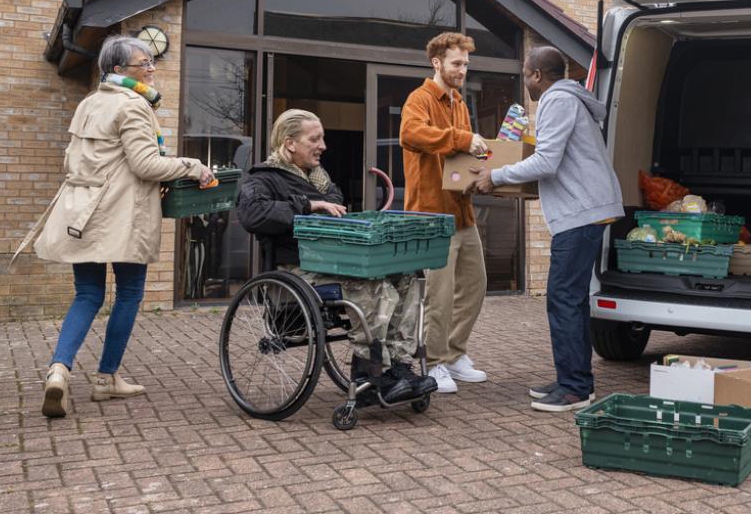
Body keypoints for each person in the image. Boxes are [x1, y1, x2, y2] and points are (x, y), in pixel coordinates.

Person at [21, 35, 215, 418]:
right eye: (144, 64)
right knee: (128, 293)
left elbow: (70, 162)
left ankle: (58, 369)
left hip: (82, 214)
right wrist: (193, 166)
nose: (152, 69)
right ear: (118, 70)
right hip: (122, 216)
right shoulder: (134, 106)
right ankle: (107, 378)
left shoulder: (89, 104)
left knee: (87, 295)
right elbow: (146, 166)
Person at [235, 109, 436, 402]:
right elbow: (252, 214)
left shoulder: (320, 179)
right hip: (295, 270)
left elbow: (334, 200)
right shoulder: (263, 178)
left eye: (323, 138)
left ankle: (400, 366)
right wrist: (308, 205)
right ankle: (370, 375)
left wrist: (320, 201)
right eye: (314, 139)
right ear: (290, 143)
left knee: (404, 276)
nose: (323, 146)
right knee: (370, 286)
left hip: (333, 263)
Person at [470, 46, 623, 412]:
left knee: (562, 298)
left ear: (538, 74)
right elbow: (559, 161)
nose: (525, 82)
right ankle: (573, 379)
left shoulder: (557, 100)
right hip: (587, 209)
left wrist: (498, 176)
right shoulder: (572, 99)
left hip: (580, 213)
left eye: (526, 74)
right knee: (570, 299)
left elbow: (547, 161)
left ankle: (574, 389)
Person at [399, 32, 491, 394]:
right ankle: (433, 363)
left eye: (466, 64)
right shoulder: (419, 99)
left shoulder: (460, 103)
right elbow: (411, 133)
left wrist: (482, 164)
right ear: (437, 63)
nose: (462, 70)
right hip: (430, 214)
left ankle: (453, 354)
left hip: (461, 212)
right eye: (456, 63)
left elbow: (460, 157)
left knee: (475, 285)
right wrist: (461, 138)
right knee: (438, 294)